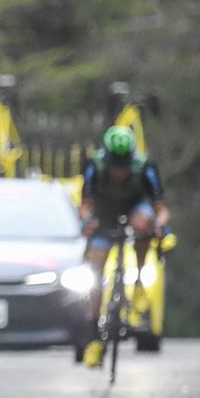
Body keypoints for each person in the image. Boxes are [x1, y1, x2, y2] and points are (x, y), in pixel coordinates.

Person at [78, 124, 170, 367]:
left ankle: (138, 278)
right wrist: (86, 221)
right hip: (105, 215)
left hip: (135, 210)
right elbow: (85, 204)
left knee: (143, 222)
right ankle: (94, 321)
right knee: (96, 263)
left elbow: (161, 209)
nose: (119, 171)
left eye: (123, 165)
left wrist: (158, 227)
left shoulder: (145, 167)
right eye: (114, 165)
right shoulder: (94, 166)